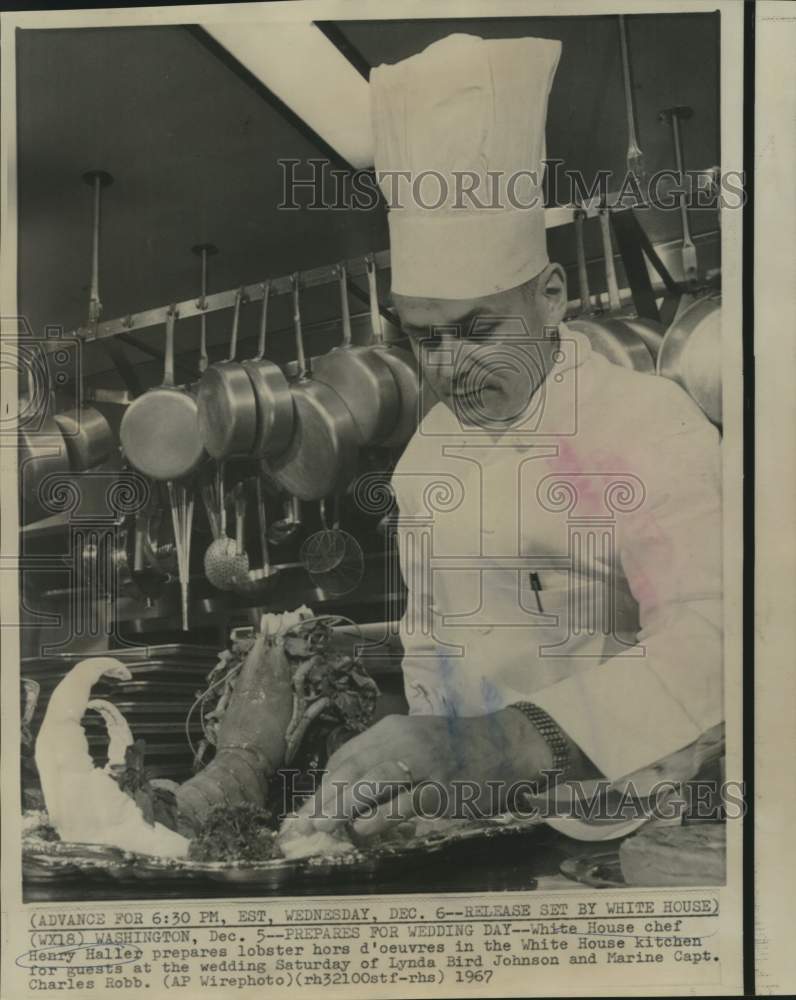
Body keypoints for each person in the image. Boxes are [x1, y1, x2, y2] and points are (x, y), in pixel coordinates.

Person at [292, 34, 723, 841]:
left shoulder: (647, 424)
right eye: (424, 339)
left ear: (552, 297)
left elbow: (720, 640)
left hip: (633, 834)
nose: (448, 370)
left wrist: (503, 743)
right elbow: (434, 642)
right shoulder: (428, 456)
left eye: (476, 329)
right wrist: (420, 783)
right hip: (467, 835)